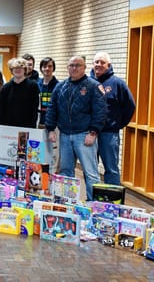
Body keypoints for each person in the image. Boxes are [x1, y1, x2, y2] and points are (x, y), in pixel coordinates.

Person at [45, 55, 106, 200]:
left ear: (84, 67)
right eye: (71, 65)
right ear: (67, 68)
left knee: (90, 173)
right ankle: (67, 201)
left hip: (84, 135)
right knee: (66, 171)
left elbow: (100, 111)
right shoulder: (61, 87)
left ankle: (93, 204)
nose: (74, 68)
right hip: (65, 135)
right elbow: (52, 108)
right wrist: (50, 128)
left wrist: (93, 132)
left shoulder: (93, 85)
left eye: (77, 65)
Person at [91, 52, 136, 185]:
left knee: (111, 169)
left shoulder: (117, 83)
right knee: (91, 168)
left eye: (102, 62)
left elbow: (130, 106)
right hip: (90, 133)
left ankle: (113, 203)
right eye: (96, 62)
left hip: (109, 133)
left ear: (109, 65)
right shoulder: (88, 83)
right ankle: (92, 199)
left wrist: (117, 124)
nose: (98, 65)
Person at [0, 57, 40, 128]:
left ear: (25, 70)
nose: (18, 69)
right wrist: (2, 127)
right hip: (9, 127)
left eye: (21, 67)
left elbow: (34, 109)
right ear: (11, 70)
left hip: (27, 127)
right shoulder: (6, 88)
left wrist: (33, 127)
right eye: (15, 67)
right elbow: (2, 110)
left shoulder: (33, 86)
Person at [38, 57, 59, 127]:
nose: (47, 68)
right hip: (38, 122)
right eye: (44, 66)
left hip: (53, 124)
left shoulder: (58, 86)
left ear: (53, 68)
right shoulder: (36, 85)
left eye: (50, 66)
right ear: (41, 68)